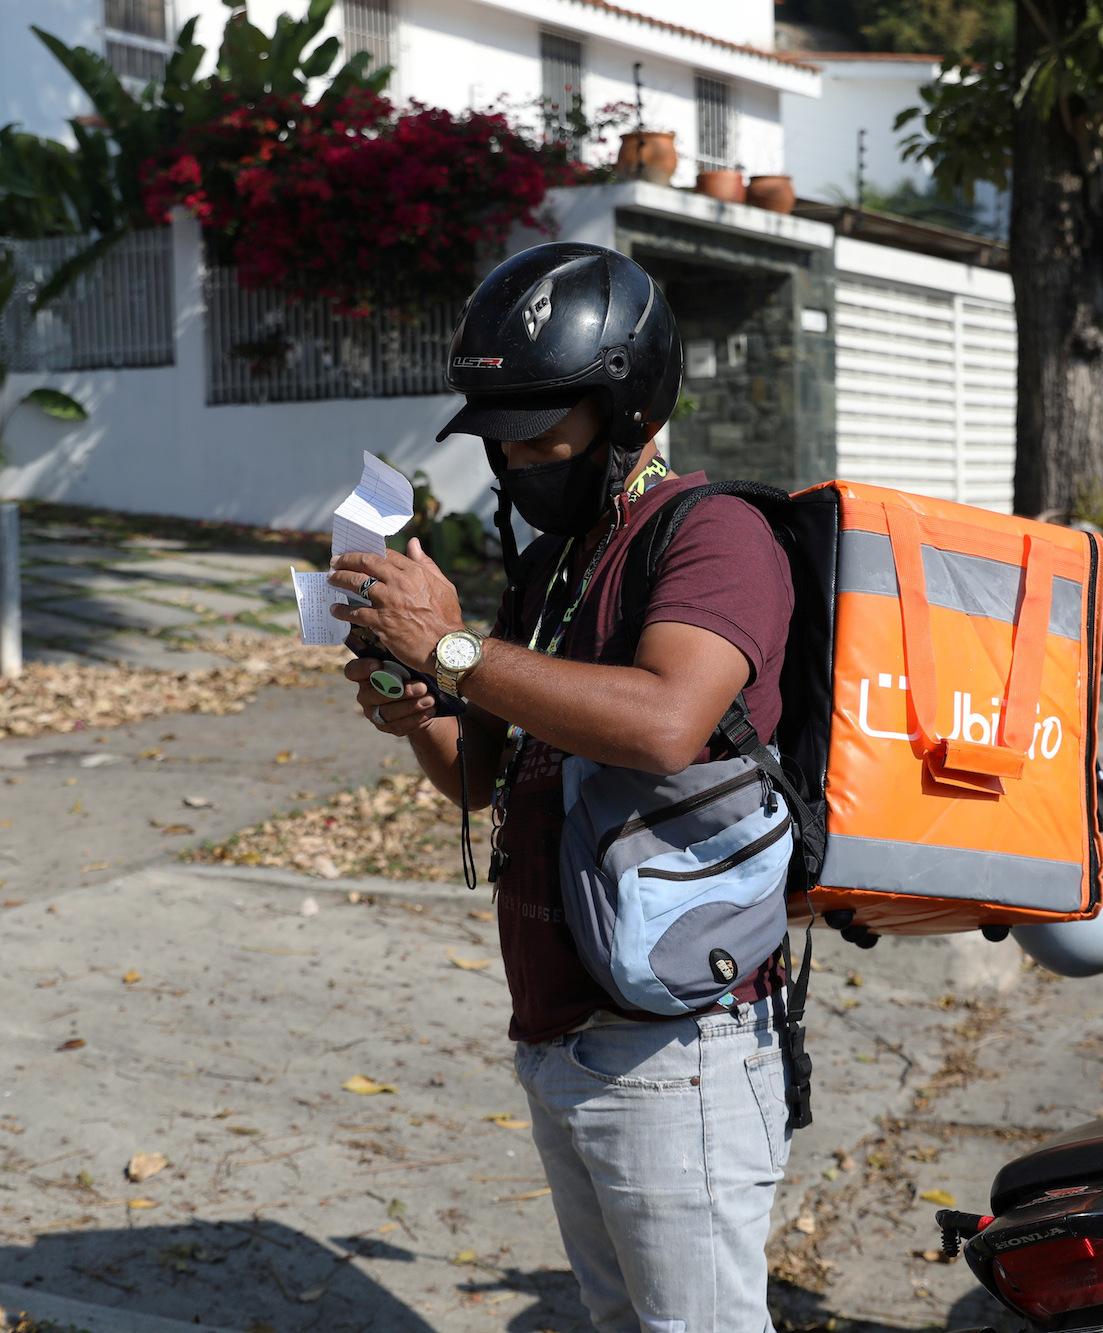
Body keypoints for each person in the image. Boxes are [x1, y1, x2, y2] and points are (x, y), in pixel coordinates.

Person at [325, 243, 797, 1333]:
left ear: (624, 406)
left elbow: (666, 723)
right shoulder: (553, 562)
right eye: (500, 437)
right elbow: (484, 778)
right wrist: (419, 706)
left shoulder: (712, 533)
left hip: (676, 1045)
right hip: (561, 1038)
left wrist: (451, 651)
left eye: (541, 432)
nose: (517, 459)